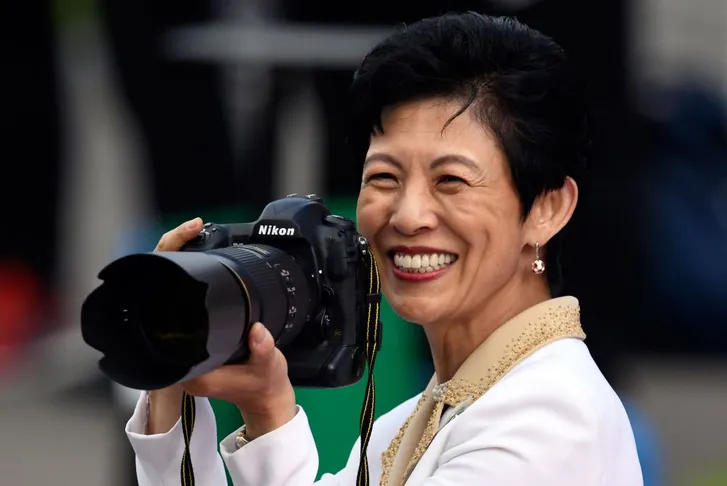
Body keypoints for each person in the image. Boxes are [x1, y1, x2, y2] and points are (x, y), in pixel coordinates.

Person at [124, 13, 643, 485]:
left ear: (547, 208)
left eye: (451, 180)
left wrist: (272, 416)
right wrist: (176, 367)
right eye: (384, 177)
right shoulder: (423, 417)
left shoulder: (549, 420)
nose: (408, 215)